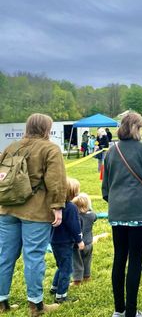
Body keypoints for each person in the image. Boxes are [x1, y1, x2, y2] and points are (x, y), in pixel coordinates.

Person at [0, 113, 66, 315]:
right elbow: (56, 181)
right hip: (35, 211)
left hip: (7, 208)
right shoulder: (50, 148)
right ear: (46, 128)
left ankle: (1, 302)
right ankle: (36, 305)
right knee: (34, 257)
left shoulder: (12, 147)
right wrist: (57, 207)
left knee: (4, 256)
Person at [102, 112, 142, 317]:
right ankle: (131, 312)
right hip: (138, 212)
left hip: (117, 212)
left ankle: (119, 310)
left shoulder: (110, 151)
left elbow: (105, 188)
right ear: (136, 127)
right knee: (135, 260)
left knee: (119, 258)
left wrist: (117, 203)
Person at [50, 178, 84, 303]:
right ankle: (61, 296)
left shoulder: (55, 207)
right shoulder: (71, 207)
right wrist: (79, 240)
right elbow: (74, 226)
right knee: (67, 269)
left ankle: (54, 287)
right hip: (65, 243)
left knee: (61, 265)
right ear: (72, 193)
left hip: (54, 241)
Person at [72, 193, 97, 285]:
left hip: (77, 244)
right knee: (87, 260)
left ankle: (77, 280)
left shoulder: (76, 217)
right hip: (89, 243)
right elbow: (95, 218)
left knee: (76, 262)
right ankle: (87, 276)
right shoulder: (92, 215)